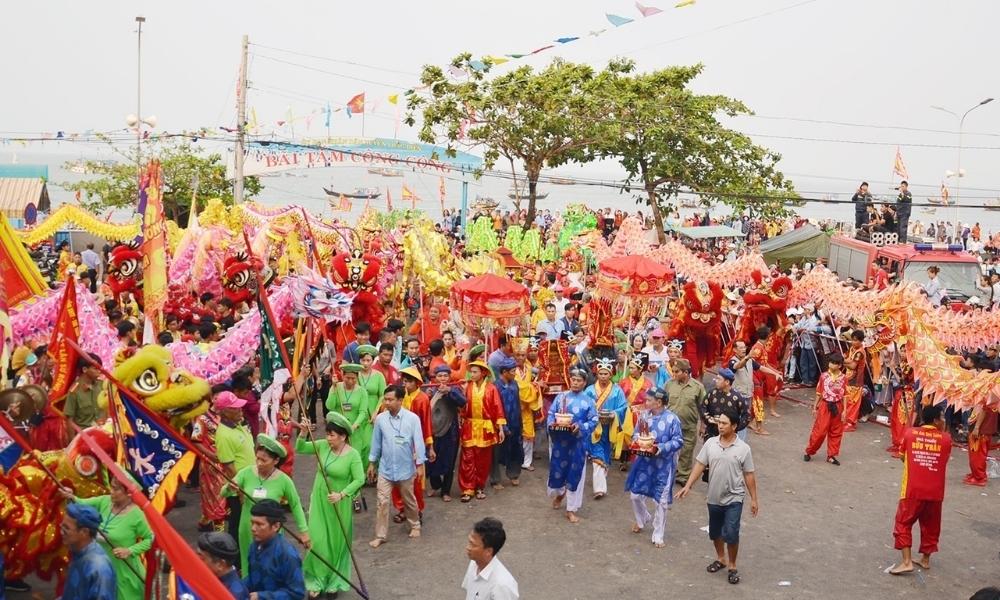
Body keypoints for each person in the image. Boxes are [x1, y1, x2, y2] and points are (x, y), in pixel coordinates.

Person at [677, 409, 759, 586]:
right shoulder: (711, 444)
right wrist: (688, 486)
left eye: (724, 423)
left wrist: (753, 499)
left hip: (734, 497)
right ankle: (721, 559)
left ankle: (732, 566)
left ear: (734, 426)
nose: (720, 426)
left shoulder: (744, 449)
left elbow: (749, 475)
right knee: (715, 532)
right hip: (713, 496)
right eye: (719, 423)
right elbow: (700, 464)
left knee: (731, 532)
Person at [296, 411, 365, 597]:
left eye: (332, 435)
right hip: (319, 500)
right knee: (317, 541)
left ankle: (334, 580)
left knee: (336, 543)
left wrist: (342, 494)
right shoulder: (322, 446)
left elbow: (360, 479)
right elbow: (300, 448)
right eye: (327, 434)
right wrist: (302, 432)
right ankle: (316, 580)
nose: (328, 438)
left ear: (343, 436)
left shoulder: (353, 455)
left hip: (338, 504)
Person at [228, 434, 309, 574]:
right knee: (249, 565)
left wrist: (304, 531)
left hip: (272, 531)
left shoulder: (284, 480)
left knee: (271, 567)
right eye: (257, 458)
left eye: (264, 460)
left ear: (276, 460)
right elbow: (224, 493)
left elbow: (295, 505)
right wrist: (230, 488)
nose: (259, 463)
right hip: (248, 528)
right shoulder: (246, 473)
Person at [61, 478, 153, 600]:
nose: (111, 491)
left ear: (129, 493)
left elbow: (151, 538)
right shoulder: (104, 501)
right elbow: (80, 504)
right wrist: (70, 495)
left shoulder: (137, 515)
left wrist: (130, 550)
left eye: (116, 489)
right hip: (98, 566)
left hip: (124, 572)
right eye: (111, 487)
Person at [889, 404, 953, 575]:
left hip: (912, 489)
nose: (944, 421)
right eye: (942, 417)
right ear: (935, 420)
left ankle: (907, 561)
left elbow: (902, 457)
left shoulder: (910, 433)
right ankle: (925, 559)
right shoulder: (946, 439)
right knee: (931, 525)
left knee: (903, 523)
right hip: (935, 491)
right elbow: (943, 461)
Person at [368, 385, 426, 547]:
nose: (387, 403)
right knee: (382, 502)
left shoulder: (412, 419)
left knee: (409, 500)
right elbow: (376, 442)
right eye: (385, 399)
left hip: (406, 468)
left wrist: (420, 464)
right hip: (385, 469)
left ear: (400, 400)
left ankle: (415, 525)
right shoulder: (380, 419)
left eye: (390, 400)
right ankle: (380, 535)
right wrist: (372, 462)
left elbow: (419, 443)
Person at [625, 388, 684, 548]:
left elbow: (678, 441)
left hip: (664, 466)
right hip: (644, 463)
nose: (646, 402)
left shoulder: (673, 419)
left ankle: (658, 534)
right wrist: (640, 442)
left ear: (658, 402)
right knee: (635, 495)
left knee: (661, 502)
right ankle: (642, 517)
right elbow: (636, 434)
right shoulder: (644, 416)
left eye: (649, 400)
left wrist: (661, 448)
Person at [547, 367, 599, 524]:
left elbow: (594, 420)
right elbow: (551, 414)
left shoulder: (588, 401)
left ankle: (571, 509)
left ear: (584, 383)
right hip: (560, 442)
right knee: (558, 470)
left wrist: (580, 427)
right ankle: (560, 493)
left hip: (577, 443)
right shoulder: (561, 397)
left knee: (576, 474)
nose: (575, 383)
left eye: (579, 381)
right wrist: (552, 425)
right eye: (573, 379)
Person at [458, 362, 507, 502]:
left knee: (482, 460)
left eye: (475, 372)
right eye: (471, 372)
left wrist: (501, 429)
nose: (472, 375)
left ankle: (479, 486)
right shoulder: (467, 387)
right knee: (467, 459)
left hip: (486, 428)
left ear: (483, 373)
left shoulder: (491, 389)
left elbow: (498, 408)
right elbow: (462, 407)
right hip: (469, 426)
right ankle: (467, 488)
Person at [213, 391, 256, 539]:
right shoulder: (224, 435)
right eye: (235, 408)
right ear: (225, 412)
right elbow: (229, 469)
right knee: (238, 527)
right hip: (238, 490)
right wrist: (242, 491)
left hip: (249, 483)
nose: (240, 410)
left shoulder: (237, 425)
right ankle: (235, 560)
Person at [393, 366, 434, 520]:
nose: (406, 384)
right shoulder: (400, 398)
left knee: (415, 480)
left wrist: (430, 446)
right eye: (404, 381)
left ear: (417, 383)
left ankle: (417, 509)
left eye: (409, 381)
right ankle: (402, 508)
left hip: (415, 444)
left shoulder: (422, 399)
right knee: (397, 477)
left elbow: (427, 424)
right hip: (398, 443)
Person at [244, 499, 306, 599]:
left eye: (259, 524)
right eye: (252, 523)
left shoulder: (287, 554)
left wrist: (262, 596)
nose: (253, 528)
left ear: (276, 526)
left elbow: (297, 593)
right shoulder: (254, 546)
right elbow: (253, 578)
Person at [587, 357, 628, 500]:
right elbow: (585, 406)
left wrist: (614, 413)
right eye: (601, 373)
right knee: (597, 455)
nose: (603, 376)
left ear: (611, 374)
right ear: (596, 374)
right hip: (595, 428)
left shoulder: (617, 391)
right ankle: (599, 489)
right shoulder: (590, 390)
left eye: (606, 374)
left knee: (606, 453)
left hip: (610, 426)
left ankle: (601, 479)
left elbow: (623, 407)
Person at [426, 365, 467, 502]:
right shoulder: (430, 389)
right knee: (431, 460)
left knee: (449, 462)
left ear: (450, 377)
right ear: (435, 377)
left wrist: (449, 391)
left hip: (450, 432)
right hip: (433, 431)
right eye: (439, 376)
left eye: (445, 376)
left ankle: (446, 490)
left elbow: (462, 402)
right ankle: (435, 485)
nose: (442, 379)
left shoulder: (454, 389)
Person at [61, 503, 116, 600]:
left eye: (66, 528)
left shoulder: (99, 567)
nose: (61, 532)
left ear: (84, 532)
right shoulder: (77, 551)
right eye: (62, 526)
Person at [665, 359, 706, 486]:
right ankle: (666, 474)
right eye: (673, 371)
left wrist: (703, 426)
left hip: (689, 425)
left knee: (686, 451)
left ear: (686, 372)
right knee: (668, 450)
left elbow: (703, 407)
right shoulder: (669, 384)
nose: (674, 374)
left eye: (677, 371)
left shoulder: (698, 387)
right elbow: (662, 403)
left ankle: (683, 477)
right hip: (670, 426)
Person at [462, 517, 519, 600]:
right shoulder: (474, 563)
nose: (468, 547)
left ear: (488, 551)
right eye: (469, 542)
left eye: (473, 545)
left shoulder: (502, 585)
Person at [804, 356, 847, 465]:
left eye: (834, 363)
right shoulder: (823, 376)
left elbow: (845, 395)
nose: (831, 365)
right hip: (825, 405)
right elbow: (819, 393)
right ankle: (809, 451)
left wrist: (845, 410)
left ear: (839, 365)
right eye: (830, 362)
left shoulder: (844, 378)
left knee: (836, 432)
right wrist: (815, 407)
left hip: (837, 406)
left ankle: (831, 455)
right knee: (820, 431)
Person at [491, 358, 523, 489]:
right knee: (497, 452)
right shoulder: (495, 386)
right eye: (512, 371)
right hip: (500, 423)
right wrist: (501, 425)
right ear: (504, 372)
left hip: (515, 421)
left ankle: (513, 474)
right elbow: (494, 407)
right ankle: (495, 479)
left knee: (516, 449)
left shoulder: (515, 384)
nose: (515, 373)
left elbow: (517, 402)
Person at [512, 343, 542, 472]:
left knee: (529, 435)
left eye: (523, 355)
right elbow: (519, 387)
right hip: (514, 406)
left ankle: (527, 461)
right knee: (514, 435)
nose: (520, 357)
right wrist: (535, 386)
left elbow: (527, 385)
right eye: (518, 355)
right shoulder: (511, 370)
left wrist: (535, 384)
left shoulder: (529, 368)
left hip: (527, 407)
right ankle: (514, 460)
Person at [196, 532, 249, 600]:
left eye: (202, 558)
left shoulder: (233, 595)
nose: (197, 561)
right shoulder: (214, 580)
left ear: (220, 564)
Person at [64, 355, 105, 429]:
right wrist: (73, 440)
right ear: (85, 369)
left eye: (99, 368)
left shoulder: (102, 385)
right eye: (95, 368)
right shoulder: (74, 391)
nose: (99, 371)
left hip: (103, 431)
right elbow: (69, 420)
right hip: (85, 435)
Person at [963, 404, 997, 487]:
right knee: (979, 454)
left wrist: (977, 427)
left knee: (977, 455)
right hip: (985, 427)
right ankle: (977, 474)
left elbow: (984, 409)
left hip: (982, 428)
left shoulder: (988, 393)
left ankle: (979, 477)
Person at [843, 330, 869, 432]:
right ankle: (846, 420)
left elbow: (853, 365)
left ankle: (851, 423)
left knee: (853, 403)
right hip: (849, 378)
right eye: (852, 340)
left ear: (861, 341)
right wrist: (844, 361)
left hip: (856, 381)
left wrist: (842, 362)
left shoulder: (860, 352)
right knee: (848, 401)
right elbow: (849, 359)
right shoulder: (853, 349)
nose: (853, 342)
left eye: (855, 341)